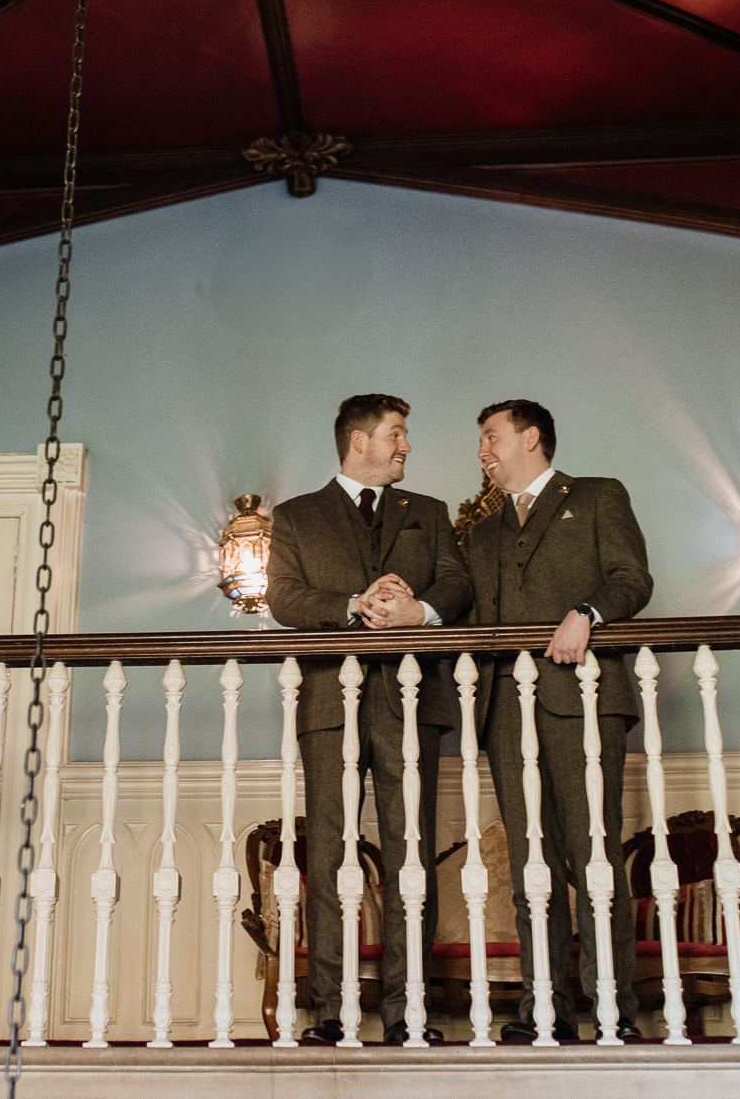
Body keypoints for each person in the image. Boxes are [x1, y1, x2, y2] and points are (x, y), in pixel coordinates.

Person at [267, 393, 473, 1044]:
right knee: (328, 855)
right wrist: (356, 604)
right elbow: (282, 597)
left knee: (413, 853)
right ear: (360, 441)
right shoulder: (297, 517)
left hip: (416, 703)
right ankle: (332, 1011)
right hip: (331, 702)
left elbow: (457, 584)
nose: (407, 445)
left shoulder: (431, 514)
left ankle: (409, 1011)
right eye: (397, 433)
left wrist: (420, 613)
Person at [465, 399, 653, 1042]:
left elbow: (633, 579)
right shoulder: (483, 532)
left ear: (532, 437)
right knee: (529, 867)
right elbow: (465, 612)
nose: (483, 451)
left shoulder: (598, 495)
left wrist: (588, 611)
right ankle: (542, 1010)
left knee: (594, 856)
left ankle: (612, 1011)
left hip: (585, 701)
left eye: (492, 437)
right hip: (504, 713)